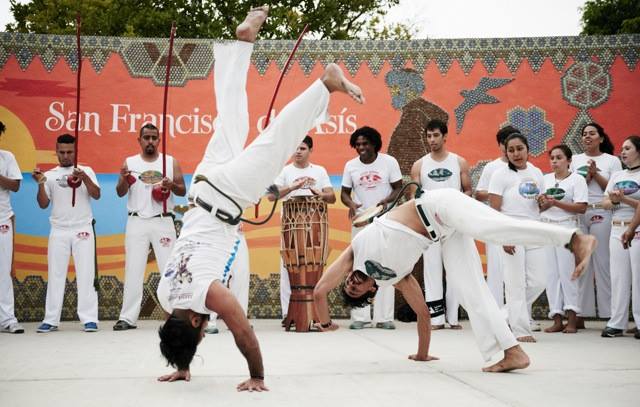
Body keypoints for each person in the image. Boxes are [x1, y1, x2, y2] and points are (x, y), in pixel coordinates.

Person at [155, 5, 364, 391]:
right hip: (204, 183)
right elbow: (182, 325)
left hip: (229, 195)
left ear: (198, 323)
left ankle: (325, 83)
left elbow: (244, 333)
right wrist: (183, 366)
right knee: (230, 116)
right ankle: (242, 44)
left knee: (275, 142)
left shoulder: (209, 294)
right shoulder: (166, 295)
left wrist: (256, 376)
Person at [312, 188, 596, 372]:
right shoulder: (399, 279)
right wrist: (422, 354)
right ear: (370, 293)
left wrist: (325, 324)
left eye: (348, 283)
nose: (351, 283)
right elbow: (423, 315)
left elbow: (320, 291)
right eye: (355, 290)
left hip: (438, 206)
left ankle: (573, 238)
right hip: (445, 233)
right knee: (472, 292)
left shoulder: (354, 253)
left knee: (496, 230)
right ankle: (513, 351)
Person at [113, 123, 186, 331]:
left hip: (163, 220)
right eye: (147, 138)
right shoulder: (130, 162)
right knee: (133, 269)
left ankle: (175, 316)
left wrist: (170, 185)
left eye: (154, 138)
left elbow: (182, 190)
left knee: (169, 270)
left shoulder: (170, 162)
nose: (150, 141)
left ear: (159, 140)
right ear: (140, 140)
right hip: (137, 221)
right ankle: (127, 318)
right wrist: (125, 179)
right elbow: (119, 192)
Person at [32, 134, 101, 333]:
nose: (65, 156)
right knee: (55, 274)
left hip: (83, 229)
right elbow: (43, 204)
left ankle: (89, 319)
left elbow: (97, 195)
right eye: (61, 152)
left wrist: (85, 178)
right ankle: (51, 320)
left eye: (69, 152)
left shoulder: (86, 170)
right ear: (56, 152)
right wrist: (40, 183)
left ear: (75, 151)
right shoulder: (50, 174)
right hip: (59, 230)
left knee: (86, 274)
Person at [410, 119, 471, 329]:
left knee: (455, 268)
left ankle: (453, 318)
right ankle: (436, 319)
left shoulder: (459, 162)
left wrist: (457, 213)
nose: (432, 140)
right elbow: (414, 198)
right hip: (430, 226)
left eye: (436, 135)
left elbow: (468, 191)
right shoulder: (419, 165)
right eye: (429, 136)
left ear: (445, 136)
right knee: (432, 269)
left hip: (454, 224)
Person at [267, 135, 335, 320]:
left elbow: (332, 197)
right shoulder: (285, 171)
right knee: (288, 269)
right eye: (295, 148)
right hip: (290, 226)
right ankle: (288, 313)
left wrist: (319, 193)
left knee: (314, 269)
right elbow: (271, 196)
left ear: (310, 151)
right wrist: (291, 187)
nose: (298, 151)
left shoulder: (319, 171)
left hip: (314, 225)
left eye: (303, 148)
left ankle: (315, 313)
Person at [341, 126, 402, 330]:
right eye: (357, 145)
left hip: (385, 221)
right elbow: (344, 193)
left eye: (365, 143)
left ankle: (384, 317)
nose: (361, 148)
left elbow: (398, 188)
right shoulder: (351, 165)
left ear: (375, 144)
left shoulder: (389, 162)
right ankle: (361, 316)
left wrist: (385, 202)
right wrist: (351, 204)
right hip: (361, 222)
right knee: (359, 267)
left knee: (386, 266)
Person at [488, 133, 546, 342]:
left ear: (528, 149)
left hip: (534, 231)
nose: (516, 153)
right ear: (506, 153)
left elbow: (540, 205)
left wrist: (544, 201)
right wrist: (504, 238)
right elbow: (494, 210)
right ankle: (521, 331)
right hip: (511, 231)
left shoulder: (537, 172)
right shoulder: (500, 175)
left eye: (519, 148)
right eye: (511, 150)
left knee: (540, 280)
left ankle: (501, 315)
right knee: (515, 284)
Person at [570, 123, 621, 327]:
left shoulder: (612, 161)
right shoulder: (574, 160)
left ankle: (609, 314)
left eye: (592, 134)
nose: (587, 137)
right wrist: (585, 176)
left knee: (603, 261)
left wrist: (596, 174)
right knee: (582, 262)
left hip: (603, 210)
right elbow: (571, 184)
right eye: (584, 134)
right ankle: (581, 313)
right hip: (581, 211)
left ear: (601, 138)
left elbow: (614, 190)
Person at [538, 145, 588, 333]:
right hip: (548, 227)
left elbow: (582, 207)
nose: (555, 161)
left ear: (568, 160)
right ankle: (556, 318)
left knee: (568, 273)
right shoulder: (544, 180)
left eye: (559, 158)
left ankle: (573, 319)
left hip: (568, 228)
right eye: (552, 158)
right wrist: (543, 205)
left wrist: (555, 202)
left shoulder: (577, 180)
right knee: (551, 274)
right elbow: (539, 207)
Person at [475, 125, 520, 308]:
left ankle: (522, 315)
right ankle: (496, 313)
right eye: (506, 144)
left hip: (518, 224)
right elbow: (479, 194)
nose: (512, 149)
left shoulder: (524, 168)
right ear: (501, 145)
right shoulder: (492, 167)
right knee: (496, 271)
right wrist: (497, 194)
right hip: (495, 223)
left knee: (519, 271)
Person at [601, 135, 640, 338]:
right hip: (616, 229)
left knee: (638, 277)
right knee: (618, 277)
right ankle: (617, 323)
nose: (623, 152)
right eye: (622, 148)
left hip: (638, 230)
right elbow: (605, 203)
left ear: (638, 151)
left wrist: (624, 198)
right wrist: (615, 201)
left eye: (628, 148)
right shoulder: (617, 175)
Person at [0, 121, 24, 334]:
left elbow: (16, 185)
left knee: (3, 272)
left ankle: (7, 319)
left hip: (2, 220)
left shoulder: (6, 157)